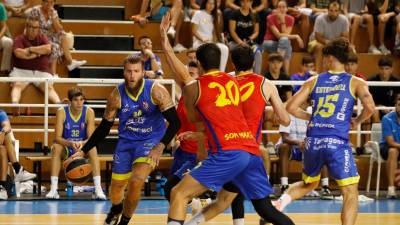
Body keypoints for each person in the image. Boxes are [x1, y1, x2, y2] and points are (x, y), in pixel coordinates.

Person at [161, 15, 294, 225]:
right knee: (264, 209)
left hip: (228, 151)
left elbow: (182, 76)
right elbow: (230, 117)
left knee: (177, 193)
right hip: (251, 150)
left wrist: (164, 39)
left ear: (201, 65)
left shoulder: (204, 85)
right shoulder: (241, 82)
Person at [277, 38, 375, 225]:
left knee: (309, 183)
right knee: (350, 191)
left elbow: (290, 107)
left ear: (330, 58)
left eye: (324, 58)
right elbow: (370, 108)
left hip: (312, 141)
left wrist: (310, 118)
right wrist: (357, 121)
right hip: (337, 142)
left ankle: (280, 202)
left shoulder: (313, 81)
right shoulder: (355, 82)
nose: (322, 61)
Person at [78, 54, 180, 225]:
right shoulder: (116, 95)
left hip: (151, 140)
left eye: (136, 71)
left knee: (136, 180)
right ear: (123, 72)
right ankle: (117, 209)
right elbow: (103, 128)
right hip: (126, 142)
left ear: (143, 72)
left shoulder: (156, 90)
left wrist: (161, 145)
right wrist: (83, 150)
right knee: (116, 189)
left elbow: (176, 122)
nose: (132, 75)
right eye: (129, 71)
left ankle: (124, 221)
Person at [45, 88, 106, 200]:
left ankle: (98, 189)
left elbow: (91, 138)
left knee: (93, 148)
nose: (79, 103)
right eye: (76, 100)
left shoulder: (89, 112)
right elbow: (57, 138)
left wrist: (82, 144)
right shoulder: (61, 112)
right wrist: (70, 143)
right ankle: (53, 189)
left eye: (82, 99)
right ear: (69, 101)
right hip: (67, 146)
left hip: (83, 148)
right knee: (56, 148)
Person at [10, 15, 62, 116]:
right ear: (26, 26)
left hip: (41, 72)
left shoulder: (42, 37)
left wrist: (30, 50)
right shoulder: (19, 39)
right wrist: (38, 53)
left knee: (49, 88)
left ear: (39, 29)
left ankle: (58, 105)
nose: (31, 29)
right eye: (29, 26)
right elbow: (18, 53)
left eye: (34, 27)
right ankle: (15, 104)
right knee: (17, 85)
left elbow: (48, 48)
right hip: (22, 71)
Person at [29, 0, 87, 74]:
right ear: (42, 2)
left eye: (51, 2)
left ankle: (70, 62)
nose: (49, 4)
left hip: (49, 35)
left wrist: (53, 18)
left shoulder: (54, 12)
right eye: (47, 2)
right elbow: (31, 27)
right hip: (38, 36)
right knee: (56, 46)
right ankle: (53, 74)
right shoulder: (35, 11)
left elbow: (58, 29)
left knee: (63, 35)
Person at [0, 109, 36, 200]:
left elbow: (7, 126)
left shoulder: (1, 113)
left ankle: (2, 187)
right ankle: (18, 169)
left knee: (4, 147)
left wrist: (3, 132)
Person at [263, 0, 304, 74]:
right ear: (276, 9)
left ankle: (278, 70)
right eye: (279, 7)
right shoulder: (270, 17)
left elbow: (285, 34)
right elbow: (278, 35)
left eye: (284, 7)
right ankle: (284, 74)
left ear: (287, 9)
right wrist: (296, 36)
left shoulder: (291, 19)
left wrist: (283, 21)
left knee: (285, 41)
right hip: (269, 42)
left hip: (282, 43)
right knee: (287, 46)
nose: (281, 9)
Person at [308, 0, 349, 72]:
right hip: (317, 41)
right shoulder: (320, 18)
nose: (333, 13)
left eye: (336, 11)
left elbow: (345, 38)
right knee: (320, 47)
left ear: (339, 11)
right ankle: (318, 73)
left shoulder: (344, 20)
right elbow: (318, 37)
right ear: (327, 10)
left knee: (349, 48)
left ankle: (345, 74)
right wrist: (330, 43)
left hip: (335, 43)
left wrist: (333, 44)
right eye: (331, 10)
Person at [191, 0, 229, 72]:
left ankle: (221, 72)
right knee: (209, 49)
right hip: (199, 42)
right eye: (209, 3)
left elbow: (215, 33)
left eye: (213, 4)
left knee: (224, 48)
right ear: (205, 3)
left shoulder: (214, 16)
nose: (211, 5)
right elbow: (193, 31)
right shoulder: (198, 13)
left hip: (210, 42)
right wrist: (202, 38)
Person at [228, 0, 262, 74]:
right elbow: (232, 31)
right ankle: (238, 73)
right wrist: (240, 42)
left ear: (251, 2)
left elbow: (256, 32)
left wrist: (250, 39)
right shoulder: (235, 13)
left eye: (248, 1)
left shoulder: (254, 14)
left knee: (258, 52)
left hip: (249, 42)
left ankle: (256, 75)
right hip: (235, 42)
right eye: (244, 1)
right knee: (238, 51)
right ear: (241, 2)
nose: (246, 3)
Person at [368, 57, 400, 123]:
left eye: (387, 69)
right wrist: (379, 106)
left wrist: (394, 108)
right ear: (378, 69)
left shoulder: (397, 82)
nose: (384, 71)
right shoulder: (371, 81)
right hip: (376, 108)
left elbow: (398, 99)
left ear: (391, 69)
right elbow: (368, 100)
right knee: (374, 111)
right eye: (381, 69)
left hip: (393, 109)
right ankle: (379, 132)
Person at [379, 97, 400, 198]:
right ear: (396, 106)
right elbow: (390, 142)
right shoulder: (387, 118)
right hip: (387, 147)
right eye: (399, 105)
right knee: (393, 151)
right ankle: (391, 190)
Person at [0, 3, 13, 75]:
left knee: (8, 42)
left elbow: (4, 27)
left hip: (0, 36)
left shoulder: (0, 7)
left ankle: (4, 70)